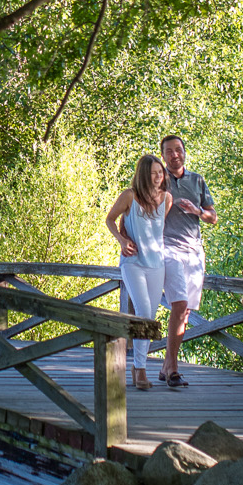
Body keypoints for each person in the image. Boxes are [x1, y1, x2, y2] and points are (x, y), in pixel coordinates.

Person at [103, 153, 171, 390]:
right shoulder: (129, 196)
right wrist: (121, 240)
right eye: (153, 173)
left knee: (149, 317)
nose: (158, 177)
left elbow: (158, 231)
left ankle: (138, 367)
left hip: (157, 264)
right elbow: (110, 219)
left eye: (160, 172)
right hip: (133, 263)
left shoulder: (166, 199)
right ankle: (140, 369)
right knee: (142, 311)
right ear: (143, 174)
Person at [158, 134, 215, 388]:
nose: (174, 155)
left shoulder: (197, 180)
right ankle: (173, 369)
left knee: (185, 310)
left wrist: (198, 211)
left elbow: (213, 217)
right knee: (179, 304)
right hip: (167, 248)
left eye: (178, 150)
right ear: (163, 156)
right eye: (169, 151)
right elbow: (141, 207)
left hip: (194, 252)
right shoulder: (158, 180)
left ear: (184, 152)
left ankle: (165, 366)